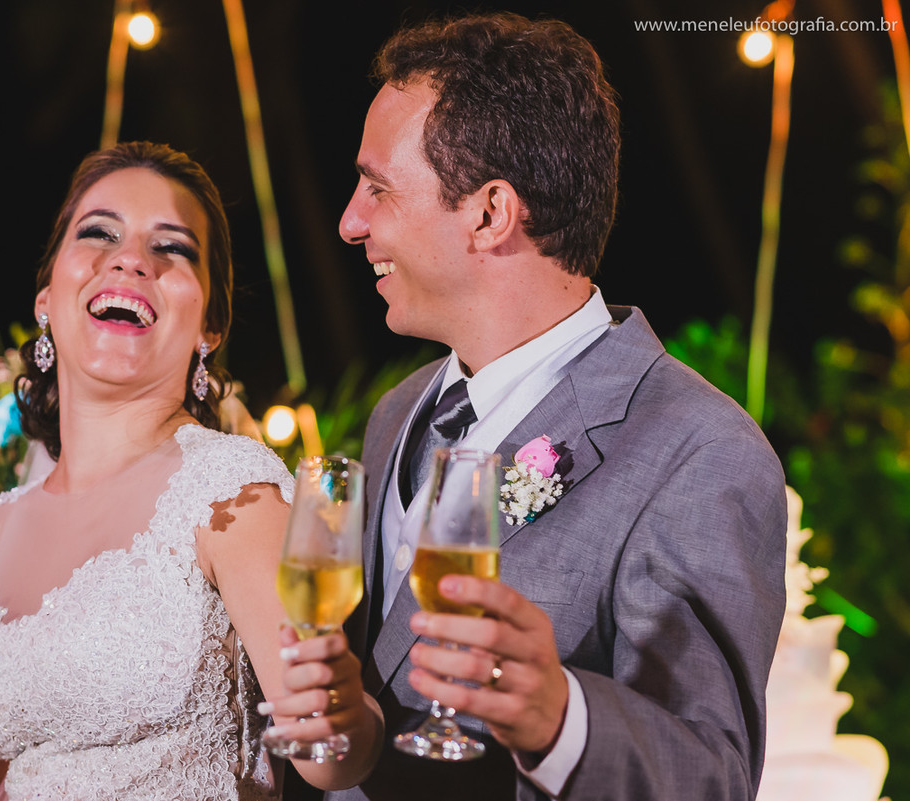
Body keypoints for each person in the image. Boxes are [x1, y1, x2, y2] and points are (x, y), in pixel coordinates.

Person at [308, 12, 787, 801]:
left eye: (378, 188)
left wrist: (563, 719)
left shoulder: (699, 451)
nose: (350, 222)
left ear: (491, 213)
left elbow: (712, 777)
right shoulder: (398, 412)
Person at [0, 142, 383, 801]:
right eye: (98, 232)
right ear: (47, 297)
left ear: (209, 328)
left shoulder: (232, 494)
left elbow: (331, 755)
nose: (131, 258)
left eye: (174, 248)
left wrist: (342, 716)